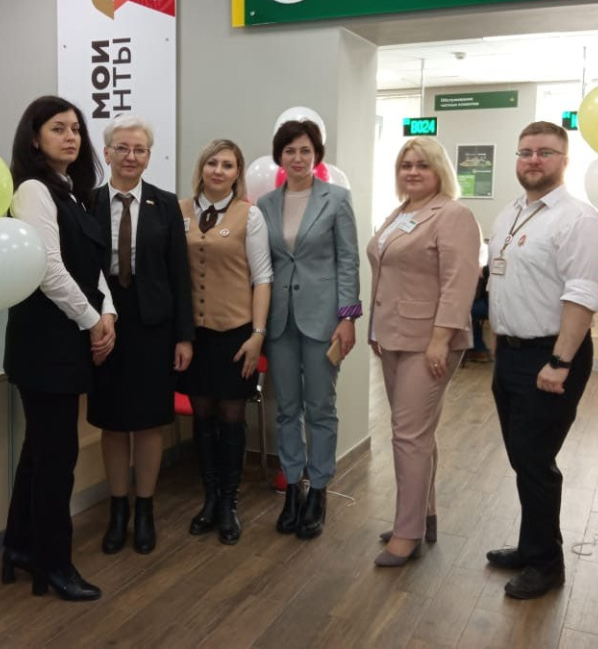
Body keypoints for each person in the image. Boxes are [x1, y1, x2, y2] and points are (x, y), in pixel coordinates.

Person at [485, 121, 598, 599]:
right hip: (511, 354)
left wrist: (559, 361)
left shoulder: (579, 220)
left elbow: (581, 295)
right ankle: (530, 545)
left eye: (545, 152)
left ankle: (546, 564)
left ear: (564, 160)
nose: (533, 160)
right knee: (523, 457)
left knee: (535, 461)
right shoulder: (511, 213)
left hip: (552, 355)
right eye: (525, 152)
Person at [2, 95, 116, 601]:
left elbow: (92, 267)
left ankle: (21, 546)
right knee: (56, 458)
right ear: (34, 138)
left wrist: (107, 313)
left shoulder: (74, 192)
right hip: (44, 344)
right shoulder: (33, 190)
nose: (71, 137)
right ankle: (54, 565)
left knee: (41, 452)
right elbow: (48, 269)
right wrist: (93, 321)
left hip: (67, 339)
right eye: (58, 129)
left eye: (75, 129)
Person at [367, 138, 480, 567]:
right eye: (405, 165)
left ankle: (407, 533)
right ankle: (424, 515)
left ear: (439, 171)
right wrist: (375, 327)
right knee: (418, 434)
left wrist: (440, 339)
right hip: (393, 336)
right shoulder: (400, 213)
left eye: (422, 165)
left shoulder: (452, 214)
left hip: (429, 341)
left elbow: (459, 282)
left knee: (408, 435)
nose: (412, 172)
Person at [89, 115, 194, 556]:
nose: (131, 156)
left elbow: (180, 274)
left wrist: (184, 337)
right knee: (112, 422)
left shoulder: (166, 205)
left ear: (149, 157)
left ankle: (145, 510)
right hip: (105, 322)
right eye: (123, 148)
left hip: (154, 325)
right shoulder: (87, 202)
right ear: (107, 152)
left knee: (150, 422)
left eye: (140, 150)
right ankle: (118, 511)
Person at [257, 119, 361, 540]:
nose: (297, 158)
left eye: (305, 150)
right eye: (289, 151)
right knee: (286, 409)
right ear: (279, 157)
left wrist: (348, 317)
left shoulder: (336, 199)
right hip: (280, 319)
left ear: (316, 155)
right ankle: (292, 490)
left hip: (324, 319)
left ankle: (318, 490)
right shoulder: (265, 204)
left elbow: (348, 260)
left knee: (320, 407)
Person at [178, 139, 272, 545]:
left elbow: (262, 278)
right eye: (212, 163)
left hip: (235, 332)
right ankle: (210, 498)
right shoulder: (179, 211)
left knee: (232, 415)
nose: (219, 171)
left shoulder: (250, 215)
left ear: (238, 173)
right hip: (193, 336)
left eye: (228, 165)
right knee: (201, 416)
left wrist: (257, 335)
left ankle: (230, 503)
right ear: (202, 167)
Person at [466, 265, 492, 363]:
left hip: (488, 303)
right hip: (487, 302)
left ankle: (477, 349)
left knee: (467, 311)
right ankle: (477, 348)